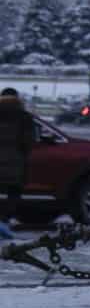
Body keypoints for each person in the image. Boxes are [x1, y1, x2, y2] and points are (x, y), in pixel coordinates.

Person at [0, 88, 34, 226]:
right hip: (15, 162)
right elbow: (28, 142)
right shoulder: (24, 117)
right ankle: (6, 220)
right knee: (14, 192)